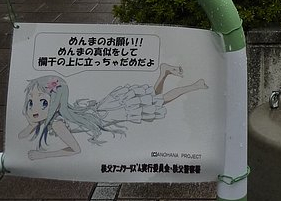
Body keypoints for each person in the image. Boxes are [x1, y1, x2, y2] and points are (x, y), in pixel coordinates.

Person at [18, 63, 208, 159]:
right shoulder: (61, 115)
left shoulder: (58, 123)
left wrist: (43, 155)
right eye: (31, 102)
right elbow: (22, 135)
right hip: (108, 107)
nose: (35, 109)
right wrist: (32, 124)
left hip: (115, 111)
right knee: (153, 98)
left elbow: (75, 149)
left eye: (43, 102)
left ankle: (193, 86)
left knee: (159, 100)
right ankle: (164, 72)